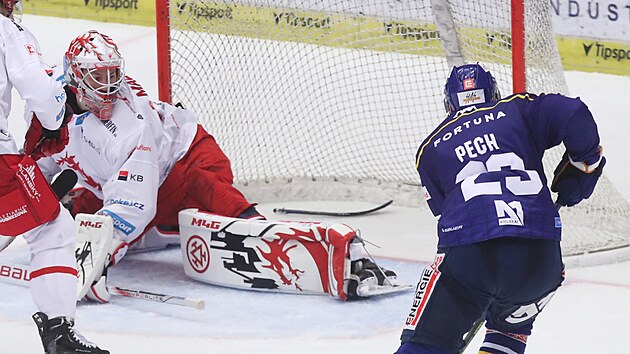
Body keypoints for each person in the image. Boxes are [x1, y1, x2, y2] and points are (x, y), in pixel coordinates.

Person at [36, 30, 400, 303]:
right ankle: (163, 232)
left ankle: (259, 228)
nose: (110, 87)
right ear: (75, 77)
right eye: (100, 78)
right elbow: (42, 159)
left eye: (114, 76)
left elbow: (133, 202)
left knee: (200, 187)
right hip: (124, 180)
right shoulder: (50, 93)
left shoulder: (132, 125)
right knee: (74, 211)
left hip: (186, 156)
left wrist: (99, 257)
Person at [395, 63, 606, 354]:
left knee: (424, 346)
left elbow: (452, 212)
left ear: (448, 104)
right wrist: (585, 165)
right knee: (507, 336)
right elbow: (574, 113)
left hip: (473, 253)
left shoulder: (430, 149)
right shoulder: (518, 109)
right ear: (494, 94)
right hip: (541, 259)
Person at [0, 2, 108, 353]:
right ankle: (59, 335)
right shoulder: (8, 32)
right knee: (53, 228)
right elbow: (45, 99)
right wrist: (56, 117)